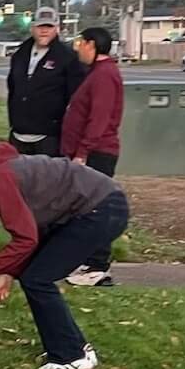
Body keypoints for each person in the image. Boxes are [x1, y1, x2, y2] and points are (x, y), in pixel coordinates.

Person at [0, 125, 129, 369]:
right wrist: (8, 273)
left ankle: (71, 357)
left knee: (38, 279)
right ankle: (75, 350)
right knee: (35, 276)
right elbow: (31, 232)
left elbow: (26, 238)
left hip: (100, 209)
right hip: (88, 209)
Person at [61, 26, 124, 287]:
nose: (77, 49)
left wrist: (82, 152)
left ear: (91, 45)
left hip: (97, 153)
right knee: (84, 209)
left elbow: (98, 119)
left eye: (80, 43)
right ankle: (88, 262)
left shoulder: (104, 75)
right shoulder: (97, 73)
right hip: (88, 152)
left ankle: (98, 266)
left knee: (96, 208)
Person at [5, 6, 86, 156]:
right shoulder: (20, 55)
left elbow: (76, 98)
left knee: (46, 179)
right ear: (33, 28)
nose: (44, 30)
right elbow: (12, 87)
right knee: (18, 178)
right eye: (40, 26)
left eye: (49, 26)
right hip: (18, 135)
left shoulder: (67, 57)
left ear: (57, 28)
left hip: (49, 137)